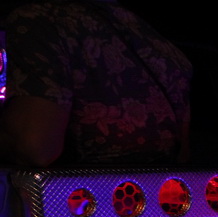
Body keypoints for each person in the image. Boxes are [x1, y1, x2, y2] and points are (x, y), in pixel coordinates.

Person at [0, 0, 191, 166]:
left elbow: (35, 147)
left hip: (71, 195)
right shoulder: (159, 44)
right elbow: (183, 154)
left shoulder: (39, 20)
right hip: (152, 194)